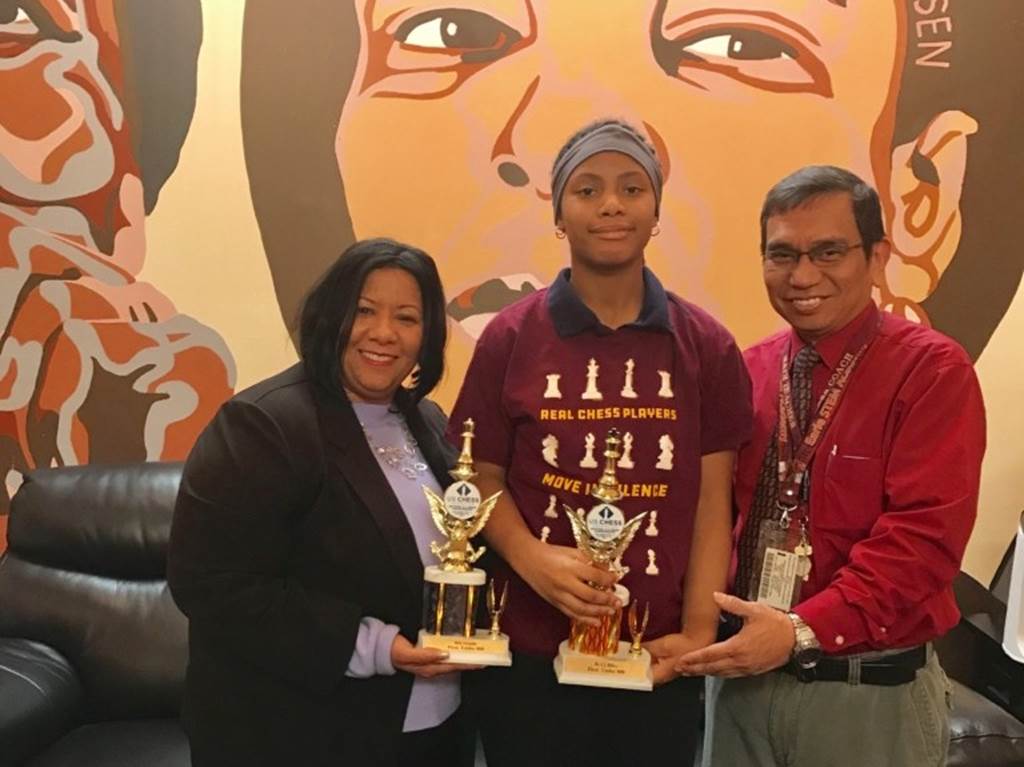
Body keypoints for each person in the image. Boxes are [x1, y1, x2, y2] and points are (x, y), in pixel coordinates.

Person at [242, 1, 1024, 380]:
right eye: (454, 29)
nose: (534, 138)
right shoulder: (498, 353)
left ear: (919, 201)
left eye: (738, 43)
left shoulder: (721, 358)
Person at [447, 119, 752, 767]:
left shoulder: (707, 345)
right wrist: (530, 557)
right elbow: (479, 477)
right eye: (587, 189)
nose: (611, 204)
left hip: (654, 656)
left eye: (631, 188)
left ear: (656, 210)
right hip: (529, 656)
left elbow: (711, 501)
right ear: (558, 212)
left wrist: (697, 632)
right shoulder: (509, 338)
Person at [675, 166, 986, 767]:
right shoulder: (750, 371)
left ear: (876, 258)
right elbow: (710, 515)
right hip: (742, 686)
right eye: (782, 254)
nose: (802, 276)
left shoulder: (931, 372)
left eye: (828, 252)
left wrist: (799, 630)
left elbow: (922, 542)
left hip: (864, 696)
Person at [167, 239, 475, 767]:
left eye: (407, 317)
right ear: (330, 315)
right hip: (302, 732)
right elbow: (211, 584)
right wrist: (376, 646)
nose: (384, 333)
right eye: (364, 311)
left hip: (432, 729)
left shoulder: (429, 421)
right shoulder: (262, 425)